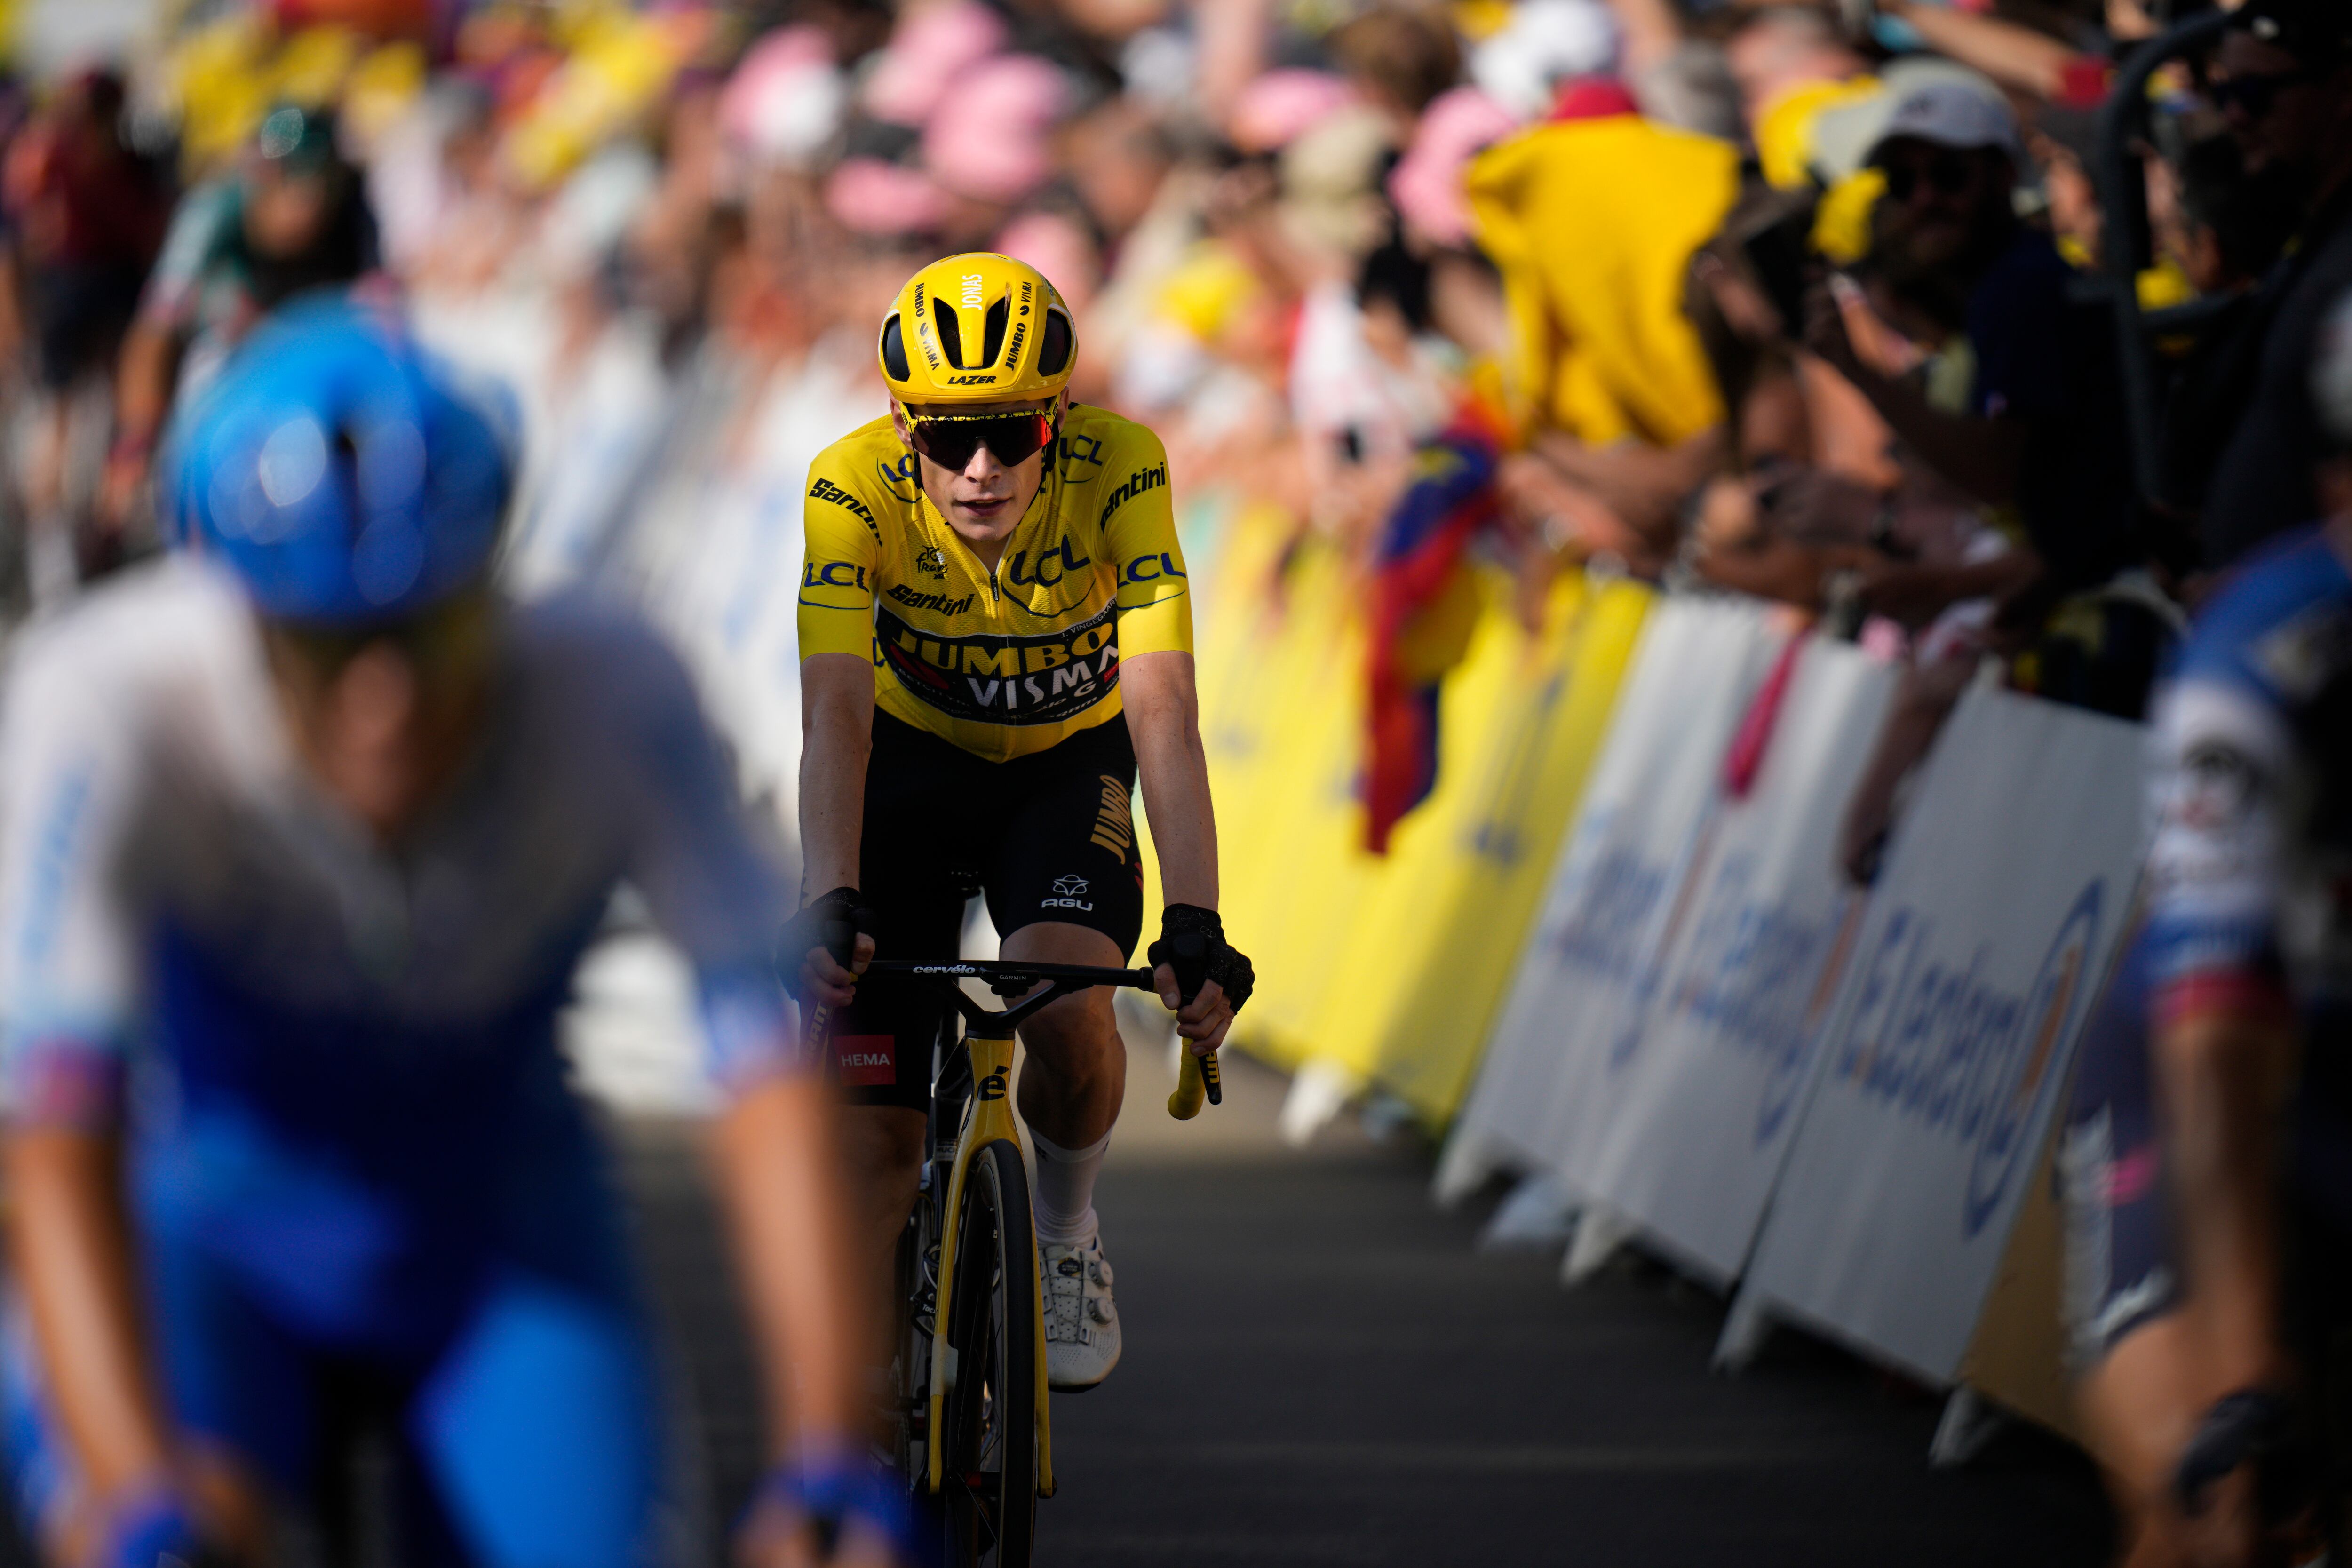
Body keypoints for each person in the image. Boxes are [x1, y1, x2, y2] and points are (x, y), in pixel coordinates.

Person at [0, 299, 905, 1568]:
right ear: (241, 611)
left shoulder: (615, 687)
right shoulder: (109, 699)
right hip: (201, 1224)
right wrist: (135, 1490)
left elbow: (770, 1093)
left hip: (498, 1242)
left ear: (495, 584)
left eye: (432, 632)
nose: (387, 700)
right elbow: (52, 1135)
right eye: (331, 646)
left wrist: (827, 1461)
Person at [787, 252, 1253, 1394]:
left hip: (1061, 769)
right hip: (904, 769)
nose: (983, 468)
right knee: (874, 1153)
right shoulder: (846, 488)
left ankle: (1065, 1232)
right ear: (903, 428)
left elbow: (1163, 706)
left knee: (1067, 996)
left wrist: (1195, 916)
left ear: (1059, 417)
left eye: (1013, 435)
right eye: (949, 439)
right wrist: (826, 894)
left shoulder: (1123, 468)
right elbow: (837, 711)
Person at [2060, 287, 2352, 1568]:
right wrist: (2250, 1377)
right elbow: (2217, 1050)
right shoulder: (2260, 656)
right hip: (2215, 1084)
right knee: (2210, 1496)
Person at [103, 103, 380, 530]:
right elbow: (154, 333)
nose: (307, 207)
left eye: (321, 186)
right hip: (230, 365)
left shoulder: (353, 213)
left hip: (318, 354)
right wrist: (133, 444)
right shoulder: (211, 217)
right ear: (262, 180)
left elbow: (384, 313)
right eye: (294, 185)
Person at [2186, 0, 2352, 571]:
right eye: (2223, 94)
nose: (2234, 116)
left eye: (2254, 93)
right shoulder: (2305, 246)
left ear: (2342, 91)